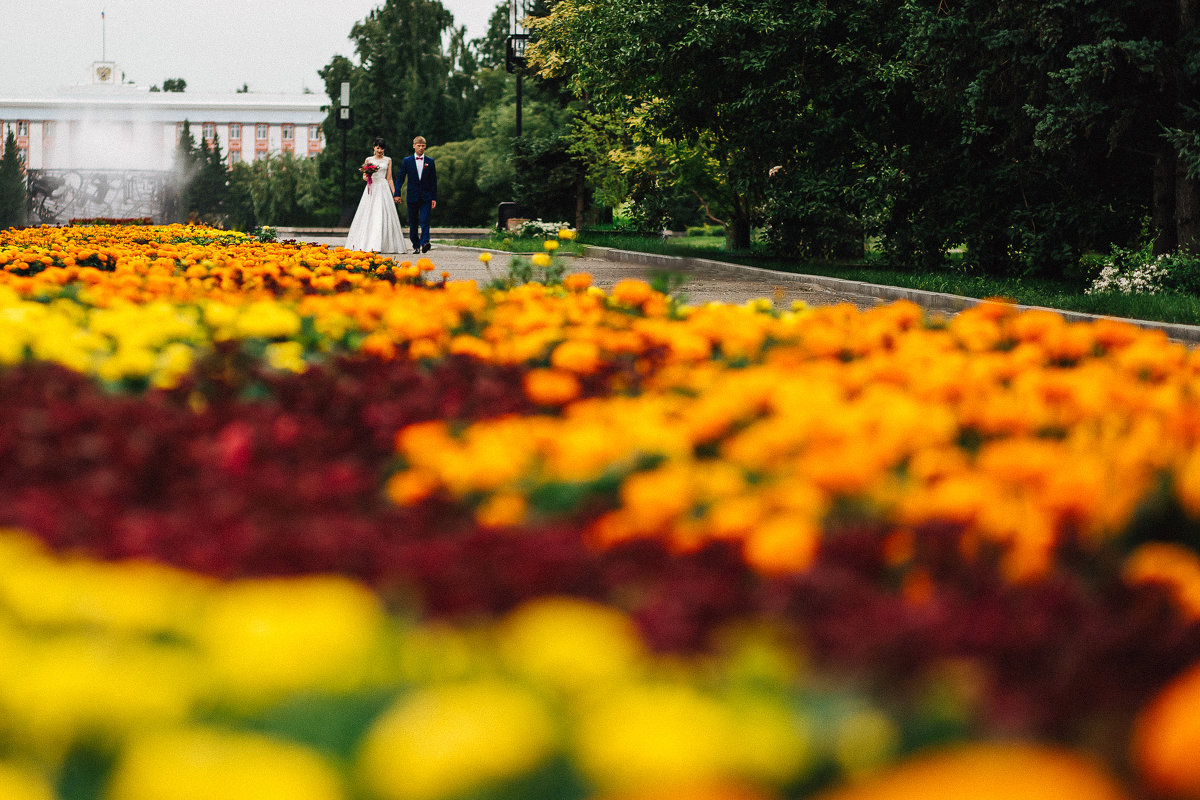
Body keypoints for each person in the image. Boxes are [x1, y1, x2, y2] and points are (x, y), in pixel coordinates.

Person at [345, 137, 409, 253]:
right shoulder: (368, 159)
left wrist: (395, 192)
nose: (380, 150)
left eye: (382, 148)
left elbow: (389, 178)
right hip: (372, 188)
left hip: (383, 187)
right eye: (378, 148)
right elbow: (364, 177)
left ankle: (384, 245)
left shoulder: (388, 160)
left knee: (383, 214)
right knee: (370, 214)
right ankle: (369, 243)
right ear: (374, 147)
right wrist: (368, 174)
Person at [393, 135, 438, 253]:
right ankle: (416, 245)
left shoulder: (430, 162)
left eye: (423, 146)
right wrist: (397, 193)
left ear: (425, 147)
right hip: (412, 196)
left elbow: (433, 181)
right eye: (419, 146)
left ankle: (425, 243)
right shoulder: (407, 161)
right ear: (414, 146)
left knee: (425, 221)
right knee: (413, 223)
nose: (421, 148)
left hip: (426, 196)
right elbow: (400, 178)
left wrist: (434, 198)